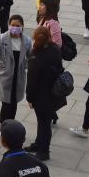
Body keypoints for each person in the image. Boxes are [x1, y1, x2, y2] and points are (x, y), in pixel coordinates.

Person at [25, 26, 64, 161]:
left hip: (40, 96)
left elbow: (31, 82)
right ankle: (38, 144)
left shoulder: (35, 56)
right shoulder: (55, 49)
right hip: (53, 92)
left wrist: (29, 98)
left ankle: (44, 151)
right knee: (43, 122)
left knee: (44, 123)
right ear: (49, 37)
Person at [0, 15, 32, 123]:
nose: (15, 28)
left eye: (18, 25)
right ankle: (4, 125)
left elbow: (30, 56)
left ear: (22, 26)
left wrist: (25, 66)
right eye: (13, 25)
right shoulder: (2, 38)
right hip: (5, 76)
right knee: (6, 104)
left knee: (14, 103)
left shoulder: (27, 41)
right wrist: (2, 65)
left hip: (18, 76)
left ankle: (11, 125)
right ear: (9, 25)